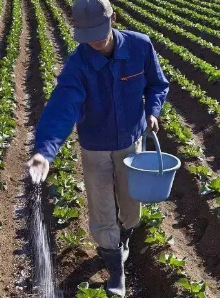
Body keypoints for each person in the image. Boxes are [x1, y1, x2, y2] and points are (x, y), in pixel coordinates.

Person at [26, 0, 170, 296]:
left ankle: (126, 237)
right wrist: (44, 151)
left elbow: (158, 84)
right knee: (102, 208)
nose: (95, 40)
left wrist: (153, 112)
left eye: (100, 32)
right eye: (87, 34)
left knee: (131, 205)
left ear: (113, 18)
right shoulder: (79, 65)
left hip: (131, 140)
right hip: (95, 146)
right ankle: (116, 270)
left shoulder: (140, 46)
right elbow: (62, 108)